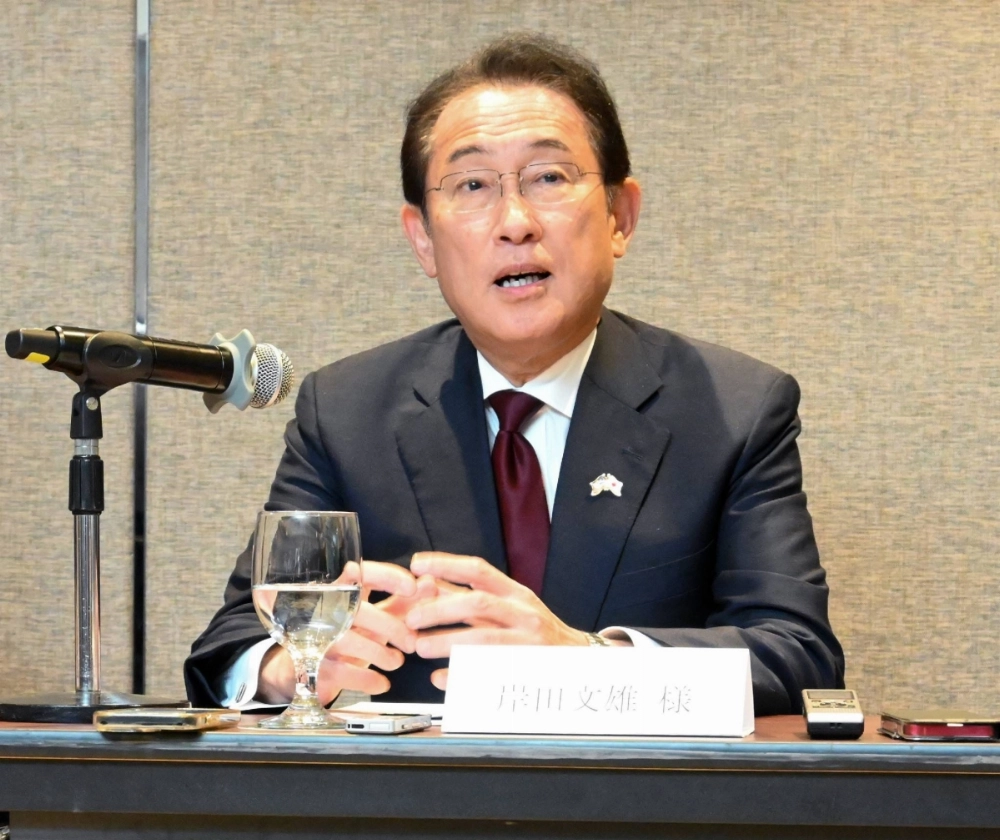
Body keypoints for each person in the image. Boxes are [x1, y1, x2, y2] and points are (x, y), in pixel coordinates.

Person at [185, 33, 844, 716]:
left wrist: (586, 661)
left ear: (620, 216)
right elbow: (231, 642)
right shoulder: (347, 412)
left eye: (549, 178)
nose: (515, 223)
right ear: (422, 240)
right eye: (472, 185)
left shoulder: (733, 409)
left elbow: (796, 653)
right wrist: (289, 668)